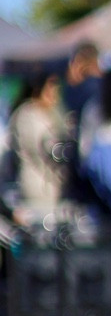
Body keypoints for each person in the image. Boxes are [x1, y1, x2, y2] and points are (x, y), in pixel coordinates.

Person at [9, 72, 69, 212]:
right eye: (50, 91)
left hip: (53, 184)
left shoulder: (53, 113)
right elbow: (41, 148)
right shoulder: (28, 115)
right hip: (36, 183)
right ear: (38, 90)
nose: (54, 96)